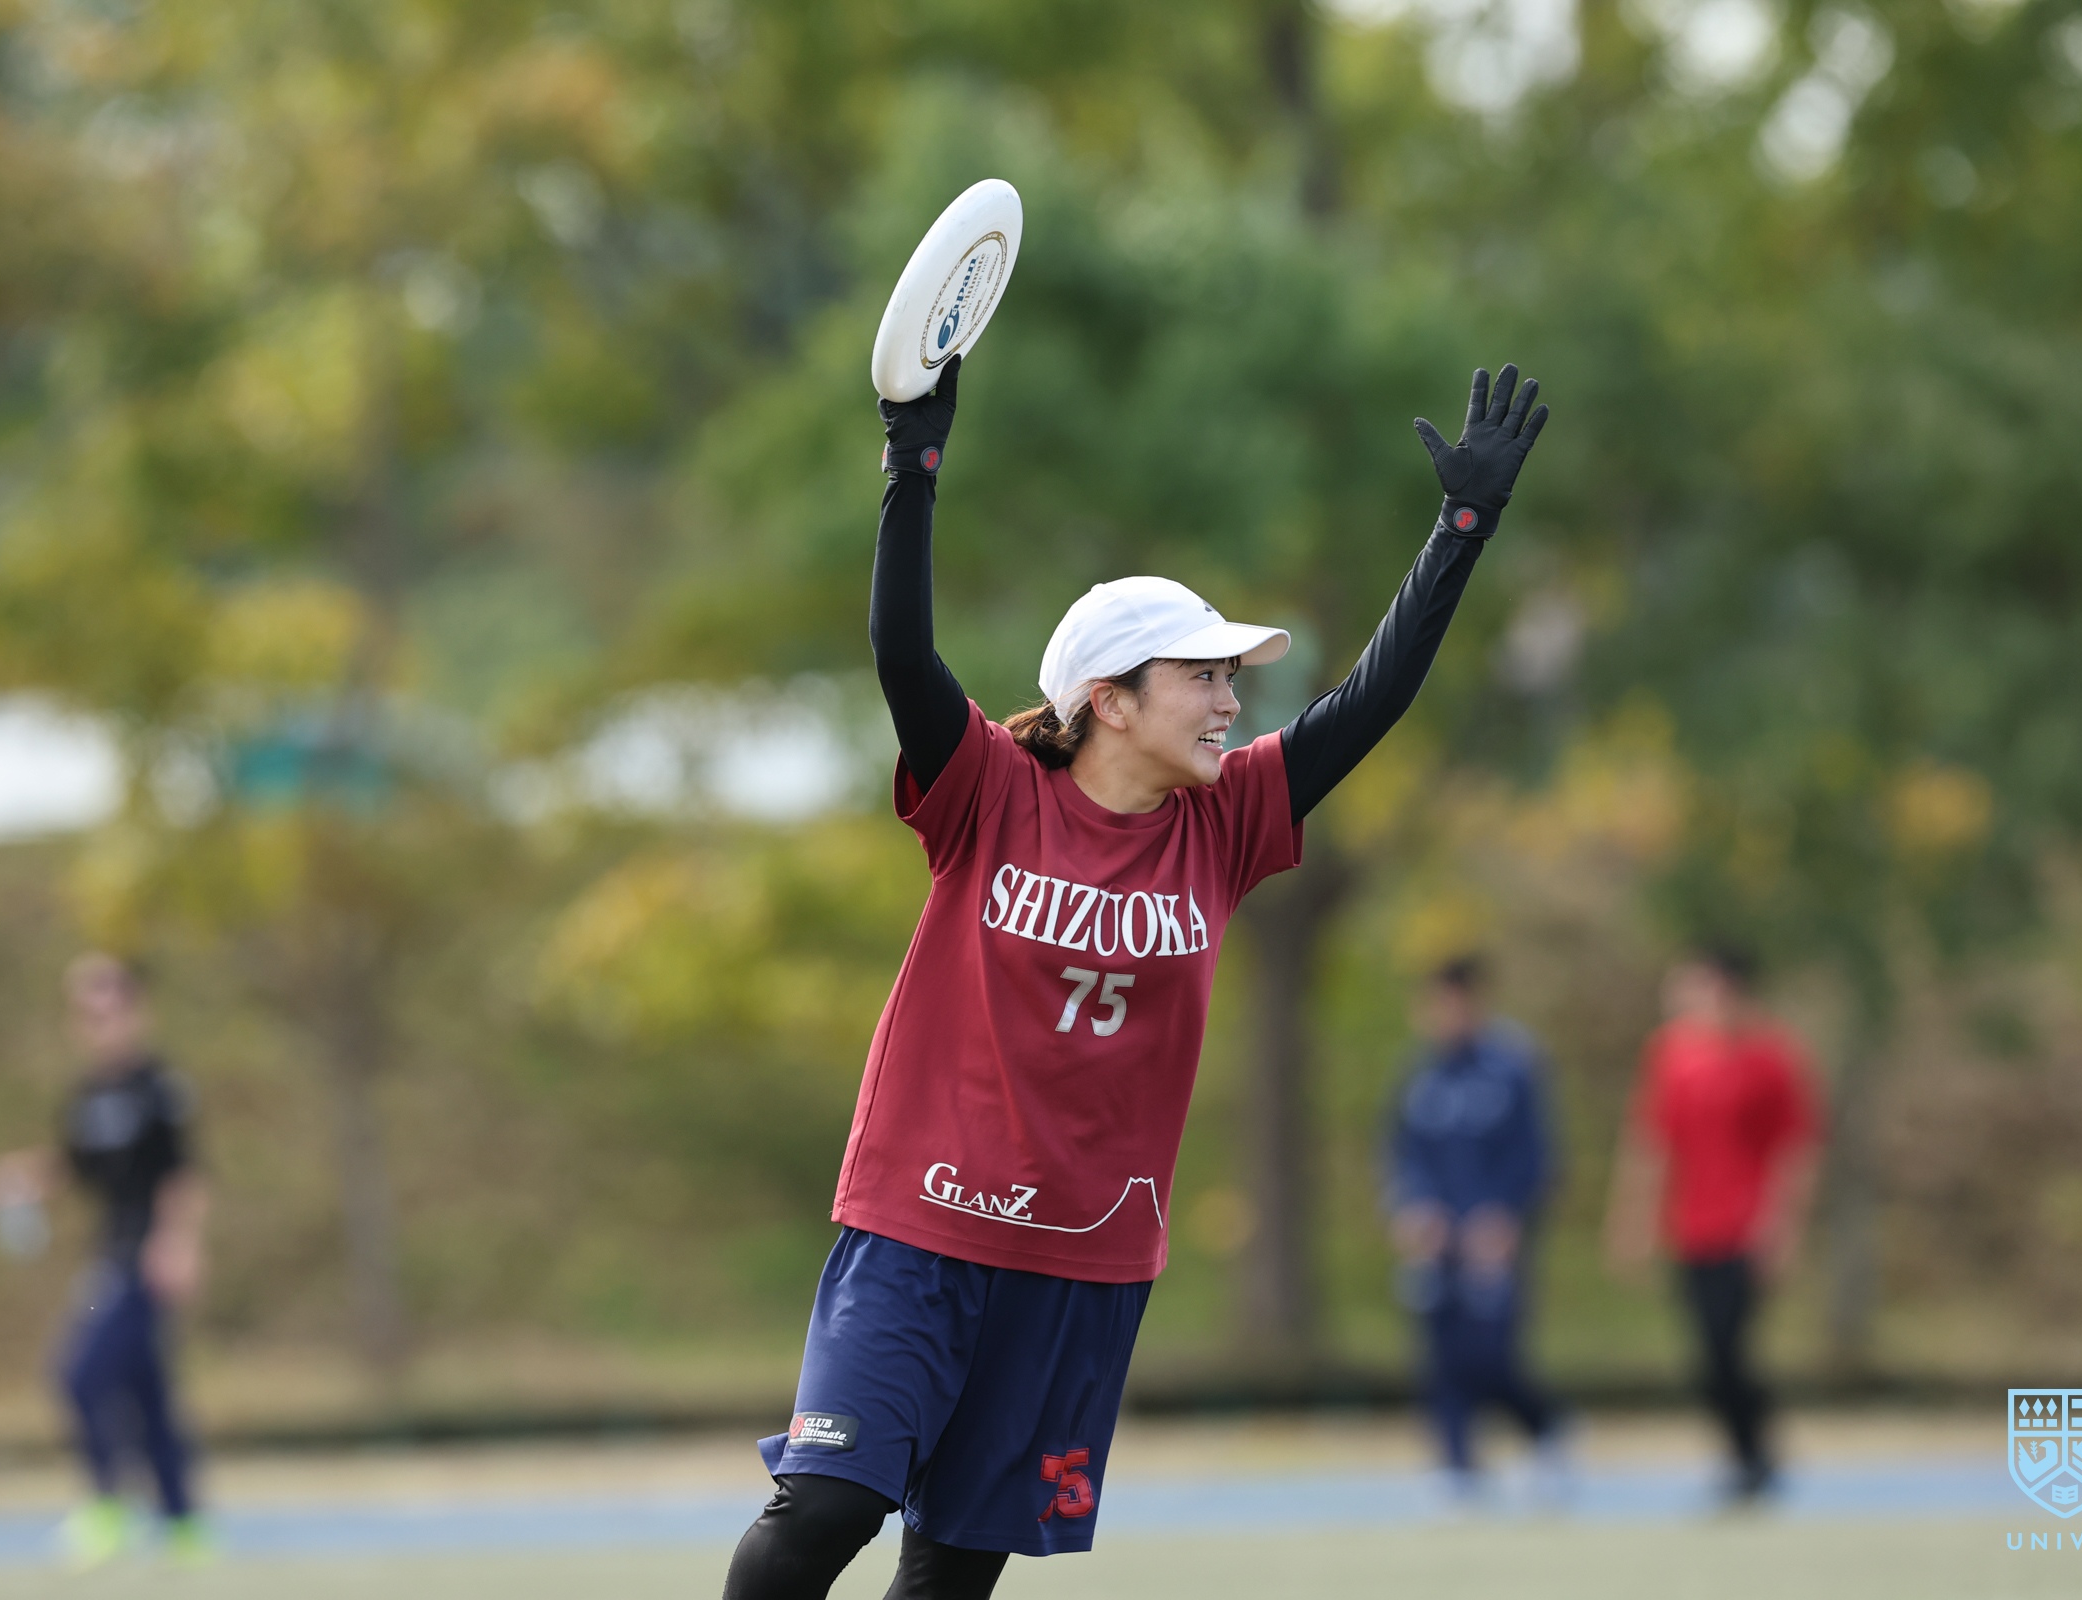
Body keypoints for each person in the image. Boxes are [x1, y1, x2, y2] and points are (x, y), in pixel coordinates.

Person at [720, 357, 1550, 1600]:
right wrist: (912, 460)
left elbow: (1371, 698)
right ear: (1107, 700)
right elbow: (900, 649)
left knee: (951, 1575)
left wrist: (1461, 529)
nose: (1229, 701)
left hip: (1081, 1261)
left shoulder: (1225, 821)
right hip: (921, 1227)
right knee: (824, 1508)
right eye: (1201, 676)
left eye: (1231, 678)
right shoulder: (991, 789)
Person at [0, 953, 210, 1568]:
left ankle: (109, 1506)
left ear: (136, 1012)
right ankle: (184, 1523)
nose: (98, 1023)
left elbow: (183, 1173)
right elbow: (77, 1166)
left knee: (80, 1375)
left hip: (144, 1257)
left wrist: (179, 1241)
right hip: (111, 1248)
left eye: (109, 1009)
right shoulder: (86, 1095)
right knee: (147, 1388)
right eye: (86, 1012)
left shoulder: (159, 1086)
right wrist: (20, 1177)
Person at [1603, 944, 1822, 1504]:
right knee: (1706, 1354)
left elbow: (1795, 1150)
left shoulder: (1772, 1056)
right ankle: (1748, 1453)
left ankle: (1753, 1452)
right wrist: (1633, 1219)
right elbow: (1652, 1141)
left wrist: (1783, 1228)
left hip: (1745, 1229)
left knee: (1730, 1343)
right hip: (1691, 1228)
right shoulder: (1671, 1054)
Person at [1383, 954, 1564, 1496]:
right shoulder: (1419, 1075)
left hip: (1493, 1237)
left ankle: (1545, 1427)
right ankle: (1458, 1463)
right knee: (1440, 1350)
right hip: (1437, 1240)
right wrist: (1413, 1208)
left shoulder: (1513, 1069)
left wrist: (1506, 1215)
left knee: (1489, 1351)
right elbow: (1402, 1154)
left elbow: (1535, 1154)